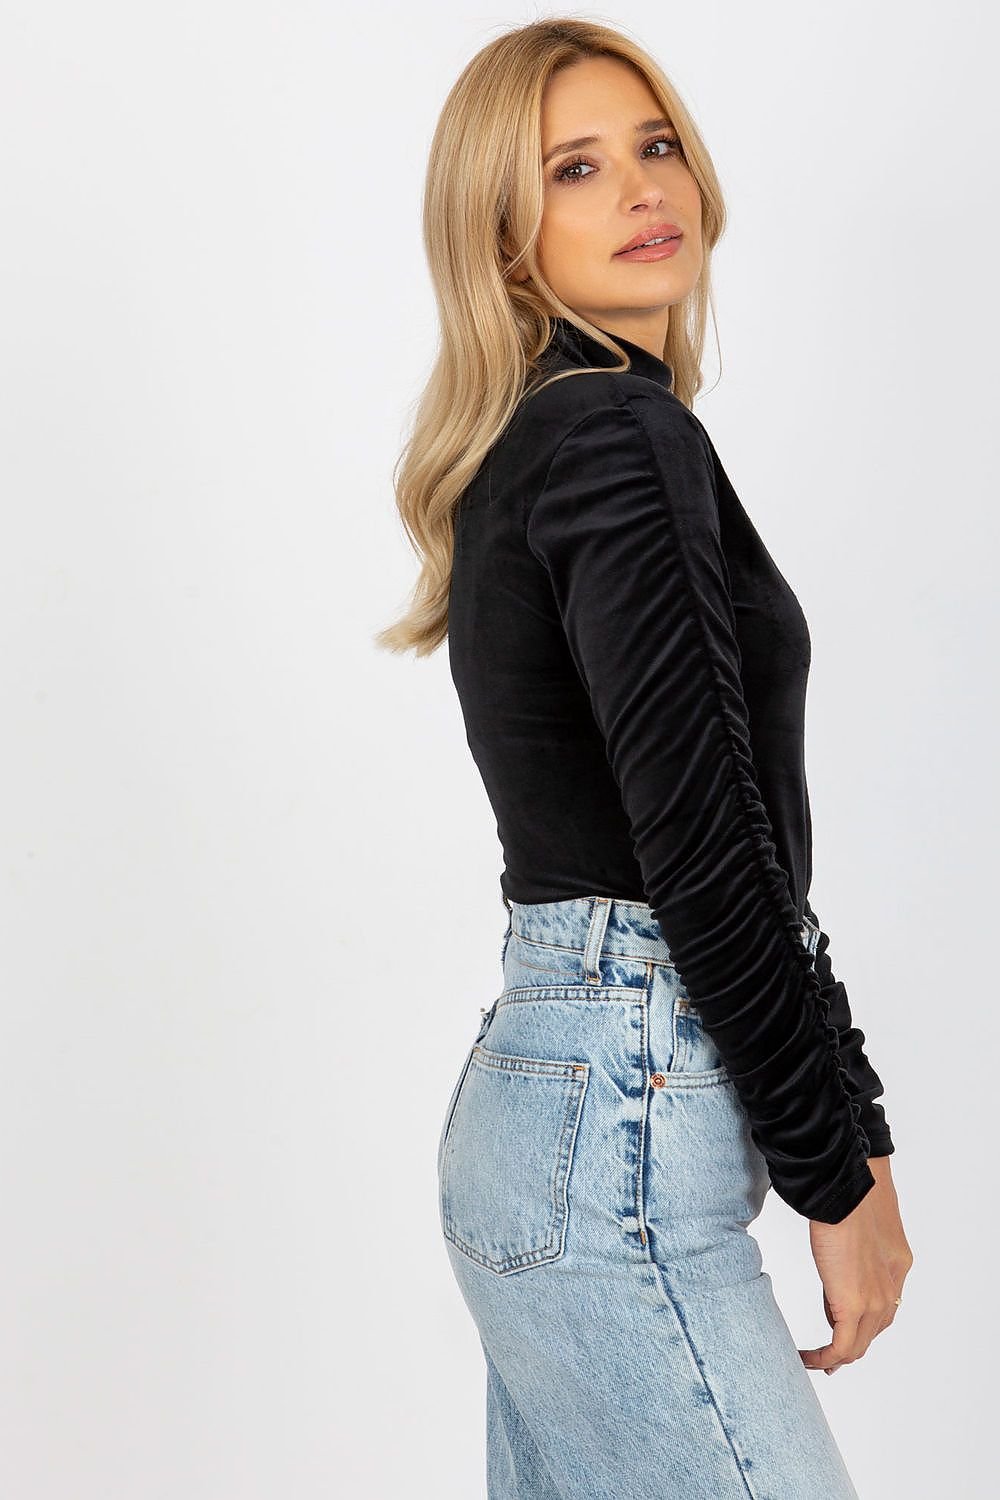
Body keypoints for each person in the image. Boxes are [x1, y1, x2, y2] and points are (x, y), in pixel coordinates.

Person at [376, 18, 913, 1498]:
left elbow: (715, 827)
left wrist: (850, 1125)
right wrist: (836, 1172)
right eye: (574, 169)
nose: (638, 188)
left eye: (655, 144)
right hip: (618, 1124)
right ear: (504, 241)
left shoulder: (550, 437)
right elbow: (704, 845)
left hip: (559, 1106)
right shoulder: (617, 434)